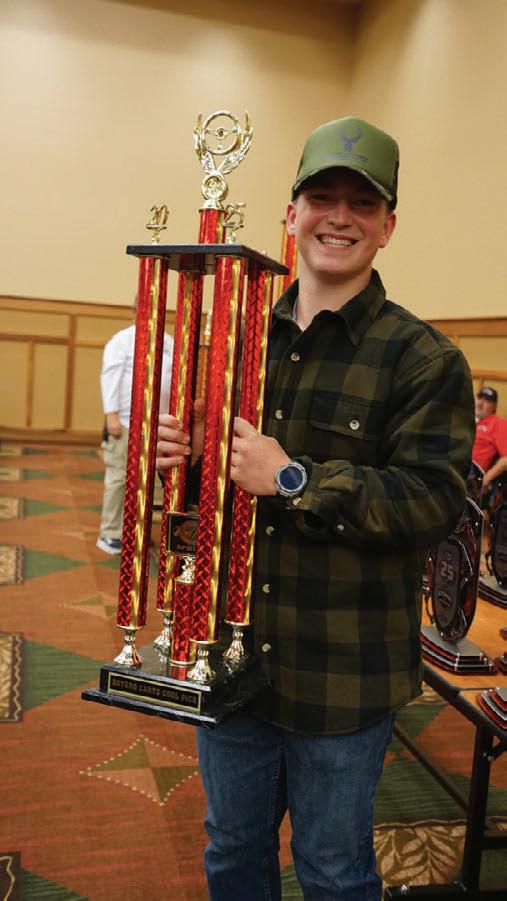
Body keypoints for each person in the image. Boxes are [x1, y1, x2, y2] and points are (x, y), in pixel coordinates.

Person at [156, 116, 475, 900]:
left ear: (387, 227)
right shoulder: (236, 341)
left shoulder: (424, 359)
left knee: (333, 871)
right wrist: (184, 462)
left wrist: (294, 478)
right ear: (290, 212)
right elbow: (207, 512)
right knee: (233, 850)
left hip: (343, 674)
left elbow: (431, 503)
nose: (339, 217)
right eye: (321, 197)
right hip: (234, 658)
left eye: (362, 203)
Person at [97, 316, 173, 554]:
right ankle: (110, 532)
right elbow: (110, 377)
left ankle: (136, 530)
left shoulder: (168, 342)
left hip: (157, 424)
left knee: (146, 480)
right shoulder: (122, 340)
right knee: (119, 477)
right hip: (124, 421)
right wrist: (111, 414)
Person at [472, 386, 507, 491]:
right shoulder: (466, 419)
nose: (480, 403)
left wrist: (486, 479)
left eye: (487, 400)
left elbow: (506, 458)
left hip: (471, 475)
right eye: (479, 398)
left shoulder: (498, 424)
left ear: (494, 406)